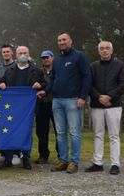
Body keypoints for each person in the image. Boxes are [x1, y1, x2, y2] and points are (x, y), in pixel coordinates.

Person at [38, 32, 91, 174]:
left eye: (64, 39)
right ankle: (62, 160)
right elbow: (53, 79)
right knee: (60, 133)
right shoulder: (57, 60)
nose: (61, 42)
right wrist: (45, 91)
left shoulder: (79, 56)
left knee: (74, 132)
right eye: (59, 40)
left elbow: (87, 77)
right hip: (57, 101)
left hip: (73, 100)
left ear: (70, 41)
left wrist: (82, 97)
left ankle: (74, 161)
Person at [0, 46, 46, 170]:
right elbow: (2, 82)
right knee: (10, 132)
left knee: (26, 133)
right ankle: (8, 159)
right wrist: (2, 84)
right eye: (21, 53)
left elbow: (45, 83)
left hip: (28, 109)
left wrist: (40, 84)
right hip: (12, 108)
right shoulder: (10, 70)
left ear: (29, 54)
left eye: (25, 53)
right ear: (16, 55)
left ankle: (26, 158)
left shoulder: (36, 70)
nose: (23, 55)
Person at [85, 41, 124, 175]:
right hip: (97, 106)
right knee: (98, 134)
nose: (104, 50)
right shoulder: (93, 66)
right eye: (102, 48)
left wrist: (108, 97)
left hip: (113, 106)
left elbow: (123, 85)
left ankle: (115, 164)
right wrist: (99, 97)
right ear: (98, 51)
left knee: (114, 135)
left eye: (107, 48)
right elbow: (89, 85)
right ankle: (98, 163)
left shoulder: (119, 65)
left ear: (111, 51)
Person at [35, 50, 58, 164]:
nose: (45, 59)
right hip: (42, 104)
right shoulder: (38, 72)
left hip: (56, 103)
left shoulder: (58, 70)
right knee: (41, 131)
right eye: (43, 58)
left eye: (47, 57)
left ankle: (61, 155)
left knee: (59, 130)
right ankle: (43, 155)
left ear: (52, 57)